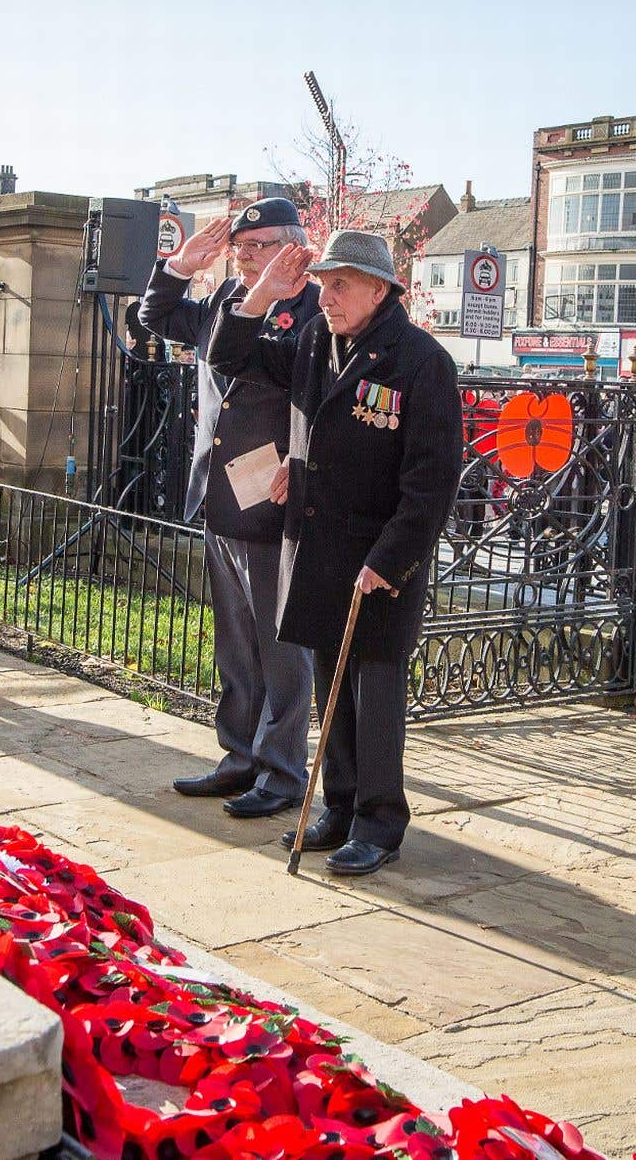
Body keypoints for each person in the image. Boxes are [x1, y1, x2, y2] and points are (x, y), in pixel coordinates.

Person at [206, 231, 460, 877]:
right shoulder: (316, 338)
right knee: (331, 690)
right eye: (322, 281)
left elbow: (432, 481)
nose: (327, 294)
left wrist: (390, 558)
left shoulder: (421, 362)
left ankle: (379, 820)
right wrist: (265, 292)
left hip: (378, 562)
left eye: (340, 283)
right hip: (318, 549)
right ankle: (340, 806)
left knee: (374, 695)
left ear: (380, 288)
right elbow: (231, 354)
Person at [137, 199, 323, 819]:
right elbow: (156, 316)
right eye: (239, 247)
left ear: (293, 249)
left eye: (259, 245)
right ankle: (239, 757)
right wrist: (178, 267)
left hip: (274, 498)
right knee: (236, 645)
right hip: (220, 494)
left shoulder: (314, 311)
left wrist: (302, 465)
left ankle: (281, 770)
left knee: (280, 646)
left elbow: (322, 398)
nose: (243, 255)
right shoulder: (223, 302)